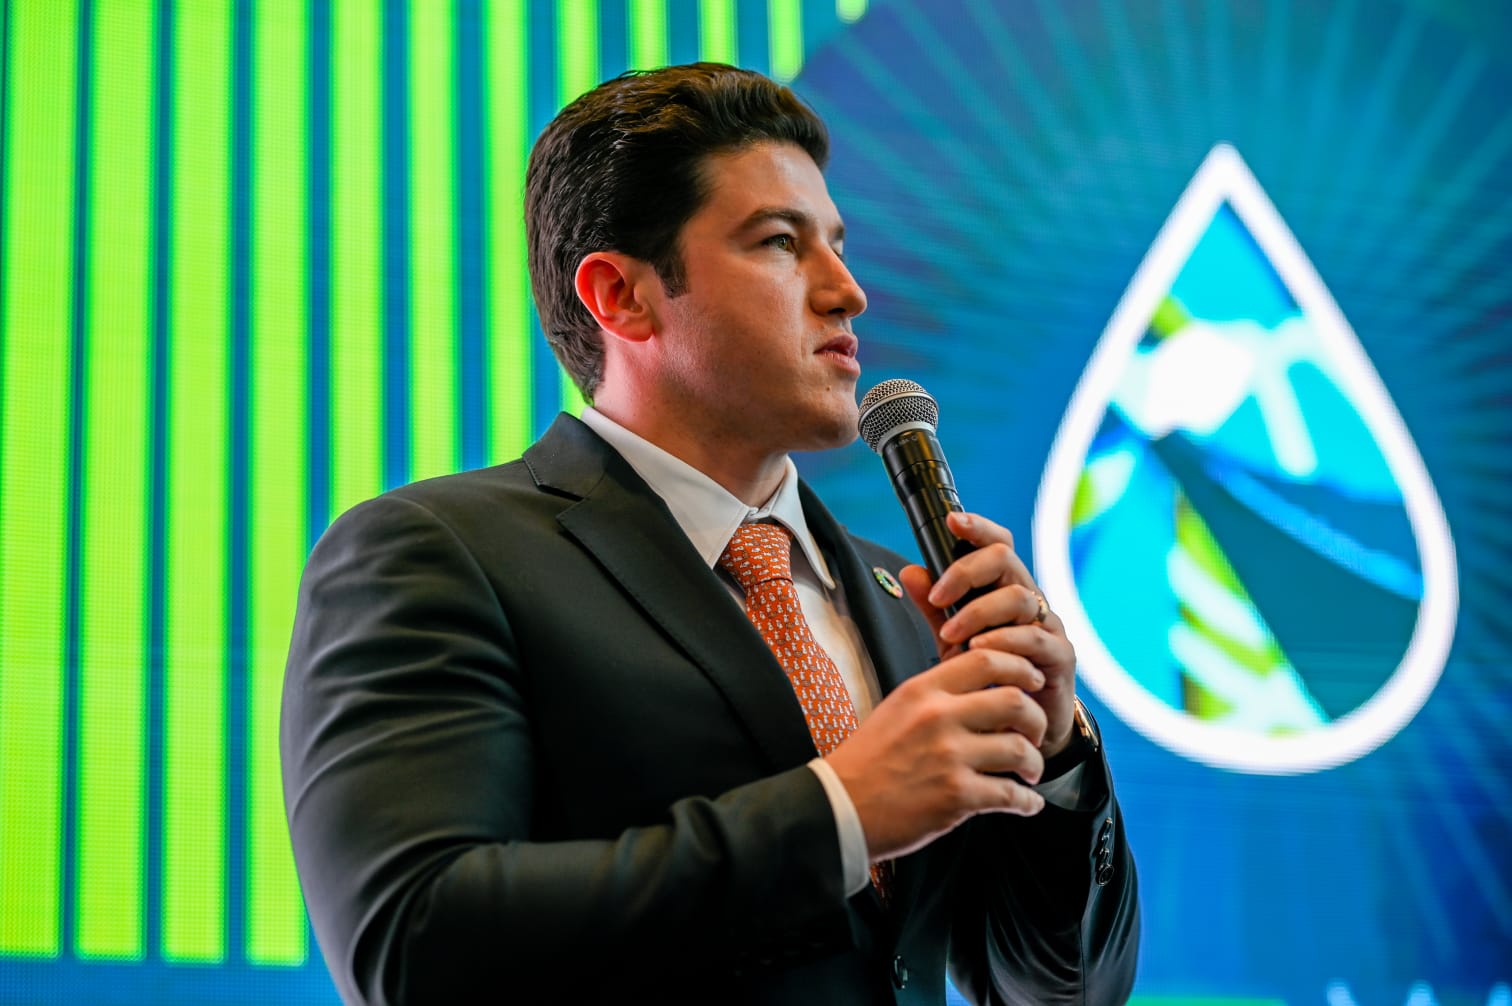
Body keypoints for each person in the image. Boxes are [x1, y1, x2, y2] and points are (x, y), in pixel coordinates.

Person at [281, 62, 1139, 1005]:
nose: (847, 291)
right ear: (620, 295)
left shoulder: (913, 604)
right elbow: (413, 946)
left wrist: (1060, 759)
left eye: (839, 245)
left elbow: (1058, 990)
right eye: (780, 243)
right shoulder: (437, 556)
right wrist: (841, 813)